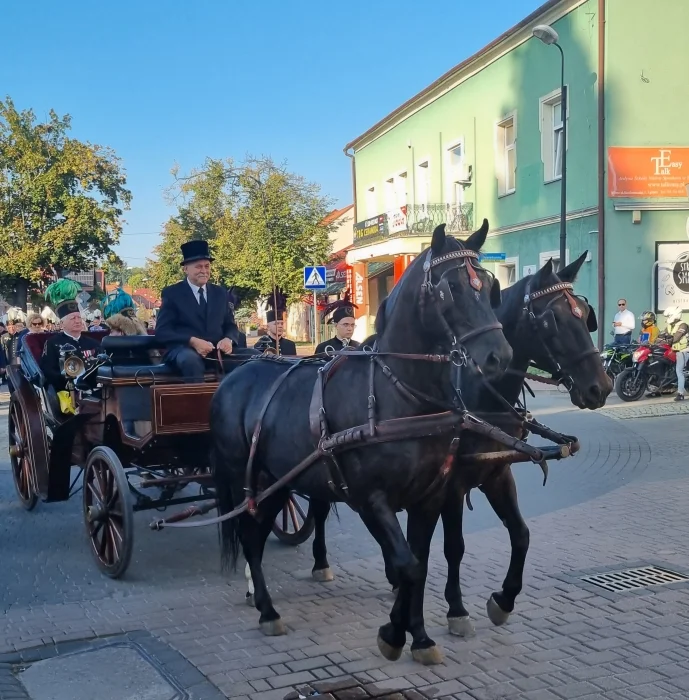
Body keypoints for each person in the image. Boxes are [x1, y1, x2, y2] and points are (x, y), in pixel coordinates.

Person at [155, 240, 240, 382]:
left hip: (217, 353)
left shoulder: (220, 293)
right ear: (186, 269)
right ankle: (198, 403)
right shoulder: (172, 293)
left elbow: (230, 325)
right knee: (190, 361)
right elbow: (162, 332)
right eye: (199, 266)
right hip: (183, 351)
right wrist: (192, 341)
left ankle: (240, 403)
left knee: (255, 358)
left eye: (207, 266)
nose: (204, 271)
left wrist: (228, 339)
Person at [40, 280, 101, 395]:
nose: (78, 321)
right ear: (62, 323)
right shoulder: (52, 343)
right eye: (73, 318)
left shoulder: (93, 343)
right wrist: (70, 382)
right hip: (66, 393)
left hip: (94, 389)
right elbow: (49, 371)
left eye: (79, 317)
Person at [659, 306, 689, 402]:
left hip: (683, 350)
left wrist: (666, 341)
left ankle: (680, 394)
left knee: (679, 371)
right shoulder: (670, 325)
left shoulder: (683, 325)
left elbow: (676, 337)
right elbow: (661, 335)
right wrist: (656, 341)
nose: (667, 318)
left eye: (669, 316)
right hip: (674, 350)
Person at [254, 289, 297, 355]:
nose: (280, 326)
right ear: (268, 327)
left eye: (282, 323)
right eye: (276, 323)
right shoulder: (260, 345)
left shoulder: (290, 345)